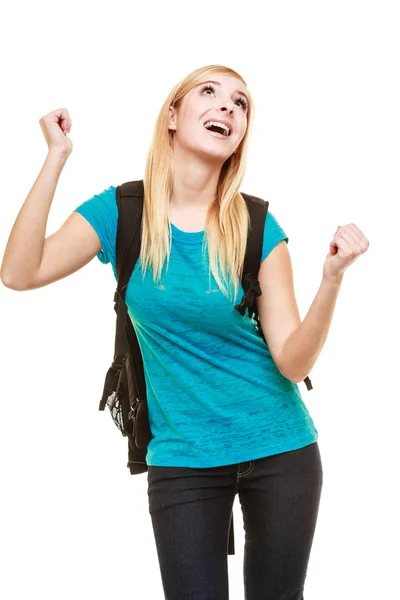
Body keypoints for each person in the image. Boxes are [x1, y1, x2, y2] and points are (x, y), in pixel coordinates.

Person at [1, 64, 369, 599]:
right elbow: (18, 272)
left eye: (240, 103)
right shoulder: (123, 213)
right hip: (182, 458)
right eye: (210, 92)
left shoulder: (259, 227)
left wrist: (331, 281)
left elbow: (293, 361)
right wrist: (56, 158)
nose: (227, 107)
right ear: (172, 116)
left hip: (281, 451)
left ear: (241, 133)